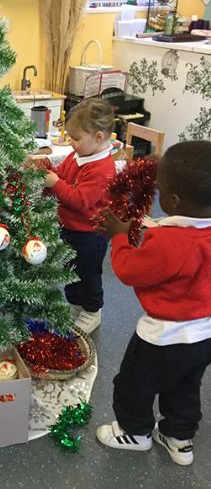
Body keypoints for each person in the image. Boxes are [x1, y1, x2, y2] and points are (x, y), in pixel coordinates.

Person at [95, 141, 211, 466]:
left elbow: (129, 270)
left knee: (134, 384)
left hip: (163, 337)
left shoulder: (171, 243)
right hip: (204, 335)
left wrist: (119, 236)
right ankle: (178, 438)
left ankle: (135, 432)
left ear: (173, 201)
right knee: (186, 386)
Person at [42, 98, 116, 333]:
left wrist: (55, 183)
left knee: (88, 273)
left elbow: (81, 201)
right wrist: (48, 174)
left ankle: (92, 309)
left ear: (98, 137)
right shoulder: (79, 155)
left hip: (90, 234)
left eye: (76, 139)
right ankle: (75, 303)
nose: (71, 144)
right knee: (71, 270)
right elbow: (62, 174)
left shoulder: (102, 168)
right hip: (70, 228)